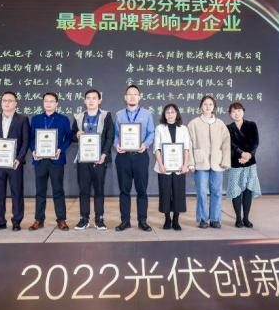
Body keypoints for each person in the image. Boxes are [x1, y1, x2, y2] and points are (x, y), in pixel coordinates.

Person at [0, 91, 30, 232]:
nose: (7, 103)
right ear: (1, 103)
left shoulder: (22, 119)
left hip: (15, 163)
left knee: (17, 192)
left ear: (16, 103)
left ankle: (16, 221)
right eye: (4, 100)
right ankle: (0, 221)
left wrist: (19, 158)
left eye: (10, 100)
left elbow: (26, 141)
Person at [113, 84, 155, 232]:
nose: (132, 97)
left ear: (139, 97)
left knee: (142, 190)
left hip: (140, 156)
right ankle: (125, 221)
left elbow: (151, 133)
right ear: (125, 97)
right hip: (123, 157)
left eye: (135, 94)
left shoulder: (147, 114)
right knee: (124, 191)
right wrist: (116, 144)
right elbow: (115, 134)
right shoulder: (119, 114)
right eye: (129, 94)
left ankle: (142, 221)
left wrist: (145, 144)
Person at [71, 89, 114, 231]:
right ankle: (84, 219)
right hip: (83, 159)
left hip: (99, 159)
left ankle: (99, 219)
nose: (91, 100)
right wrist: (76, 134)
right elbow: (72, 135)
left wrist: (104, 154)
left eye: (94, 98)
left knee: (99, 190)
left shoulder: (106, 116)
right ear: (84, 101)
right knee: (84, 190)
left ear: (99, 100)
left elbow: (110, 137)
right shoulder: (79, 117)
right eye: (88, 98)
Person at [29, 92, 72, 231]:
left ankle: (61, 220)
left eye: (51, 101)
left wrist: (61, 149)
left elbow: (69, 138)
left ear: (56, 103)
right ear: (43, 103)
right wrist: (33, 150)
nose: (48, 103)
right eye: (46, 101)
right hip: (40, 160)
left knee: (58, 190)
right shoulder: (36, 119)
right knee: (40, 191)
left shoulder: (63, 119)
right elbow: (31, 138)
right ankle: (38, 220)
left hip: (56, 160)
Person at [187, 95, 230, 229]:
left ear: (214, 107)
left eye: (210, 104)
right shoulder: (193, 123)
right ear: (201, 106)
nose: (207, 107)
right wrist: (190, 162)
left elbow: (226, 143)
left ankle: (215, 219)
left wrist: (225, 161)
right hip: (200, 163)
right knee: (201, 192)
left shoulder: (220, 124)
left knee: (217, 192)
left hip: (217, 163)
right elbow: (189, 144)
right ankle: (202, 219)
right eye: (205, 104)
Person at [153, 104, 193, 231]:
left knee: (178, 193)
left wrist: (185, 164)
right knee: (165, 192)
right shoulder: (159, 128)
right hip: (164, 167)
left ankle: (176, 219)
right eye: (167, 112)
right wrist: (160, 164)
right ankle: (167, 219)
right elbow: (157, 148)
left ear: (177, 114)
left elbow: (186, 148)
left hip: (180, 167)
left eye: (172, 112)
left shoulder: (183, 128)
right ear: (164, 114)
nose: (170, 114)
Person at [226, 102, 261, 228]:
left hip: (250, 162)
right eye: (233, 111)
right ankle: (238, 219)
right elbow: (230, 144)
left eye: (239, 111)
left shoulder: (251, 125)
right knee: (236, 191)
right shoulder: (228, 128)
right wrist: (242, 154)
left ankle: (246, 218)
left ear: (243, 112)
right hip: (235, 162)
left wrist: (249, 155)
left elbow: (255, 142)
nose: (236, 113)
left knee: (248, 190)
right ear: (230, 114)